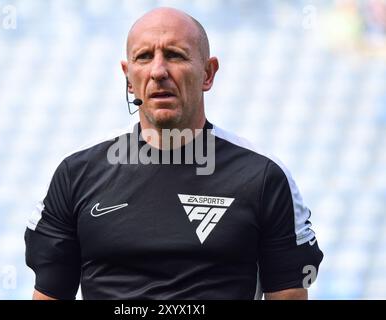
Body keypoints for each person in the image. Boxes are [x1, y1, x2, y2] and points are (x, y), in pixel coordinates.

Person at [25, 7, 323, 300]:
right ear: (128, 78)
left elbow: (289, 295)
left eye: (175, 55)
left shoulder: (263, 177)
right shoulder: (76, 174)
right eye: (144, 57)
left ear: (208, 73)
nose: (158, 71)